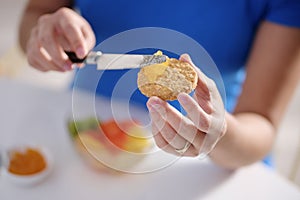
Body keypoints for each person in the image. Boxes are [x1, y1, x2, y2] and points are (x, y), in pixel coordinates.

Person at [19, 0, 300, 169]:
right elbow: (35, 15)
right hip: (88, 133)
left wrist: (220, 134)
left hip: (211, 160)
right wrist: (44, 38)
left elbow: (262, 123)